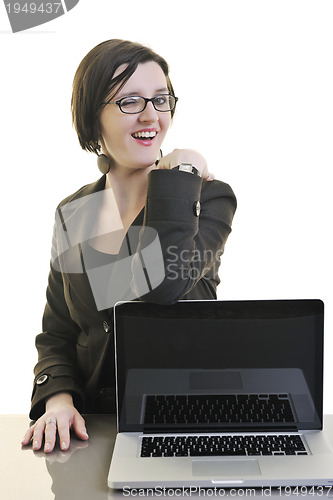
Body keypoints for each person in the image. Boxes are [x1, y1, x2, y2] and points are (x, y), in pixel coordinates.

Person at [21, 39, 237, 453]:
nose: (152, 115)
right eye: (130, 101)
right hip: (90, 432)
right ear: (92, 116)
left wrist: (179, 175)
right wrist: (58, 399)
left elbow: (164, 286)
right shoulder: (73, 212)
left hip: (185, 425)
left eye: (161, 99)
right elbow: (58, 332)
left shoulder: (207, 199)